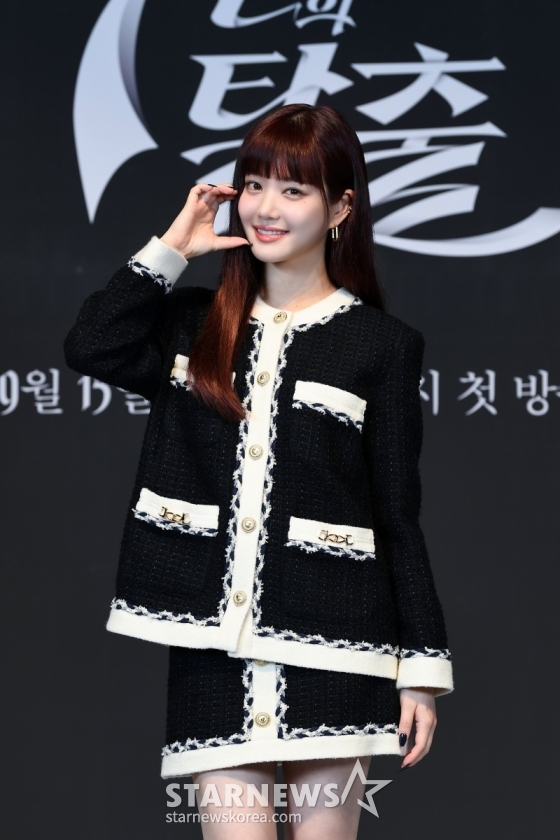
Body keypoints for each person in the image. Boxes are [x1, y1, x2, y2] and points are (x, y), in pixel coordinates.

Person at [64, 103, 453, 838]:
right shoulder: (191, 322)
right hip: (212, 649)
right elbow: (91, 346)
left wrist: (422, 672)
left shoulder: (382, 344)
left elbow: (397, 514)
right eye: (254, 185)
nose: (266, 208)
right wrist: (172, 248)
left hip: (340, 646)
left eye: (293, 190)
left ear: (340, 207)